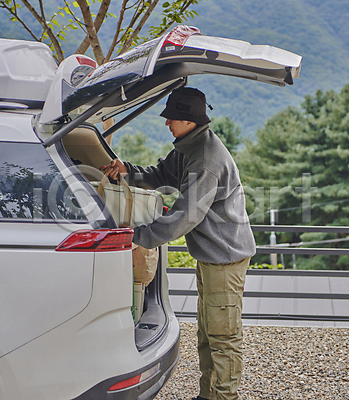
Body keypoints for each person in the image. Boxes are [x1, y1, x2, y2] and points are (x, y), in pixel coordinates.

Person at [101, 87, 256, 400]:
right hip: (213, 256)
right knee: (208, 332)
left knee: (222, 335)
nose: (167, 122)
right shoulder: (190, 145)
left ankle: (223, 397)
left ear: (189, 120)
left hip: (225, 258)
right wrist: (127, 170)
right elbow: (162, 174)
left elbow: (186, 217)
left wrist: (138, 237)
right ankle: (208, 394)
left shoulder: (207, 159)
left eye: (172, 117)